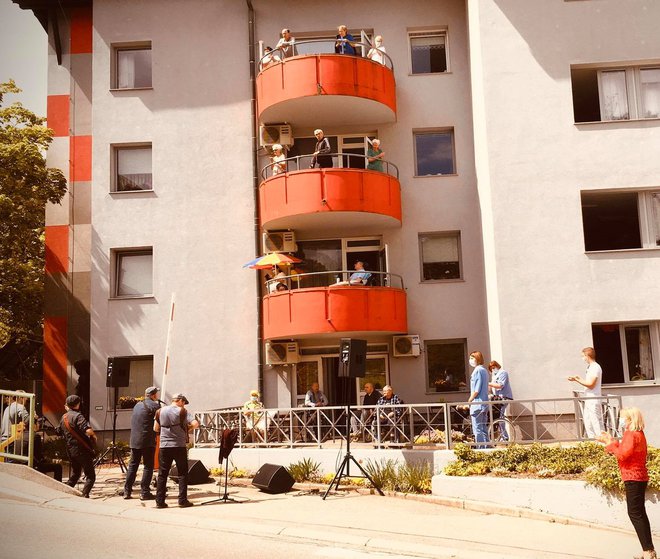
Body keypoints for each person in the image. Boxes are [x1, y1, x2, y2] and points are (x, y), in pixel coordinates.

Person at [599, 408, 656, 559]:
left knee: (635, 513)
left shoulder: (631, 434)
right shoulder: (638, 433)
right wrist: (611, 442)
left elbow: (622, 455)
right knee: (639, 513)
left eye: (623, 418)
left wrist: (609, 444)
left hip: (633, 478)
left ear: (630, 419)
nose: (621, 420)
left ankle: (648, 551)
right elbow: (625, 451)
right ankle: (649, 550)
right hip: (638, 477)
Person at [154, 393, 199, 509]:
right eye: (183, 403)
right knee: (182, 473)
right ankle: (182, 501)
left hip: (164, 446)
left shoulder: (160, 411)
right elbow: (196, 424)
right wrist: (186, 428)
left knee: (162, 474)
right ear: (180, 401)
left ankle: (160, 501)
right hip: (179, 446)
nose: (183, 405)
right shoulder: (183, 411)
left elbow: (155, 428)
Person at [123, 386, 161, 500]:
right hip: (147, 440)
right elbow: (161, 420)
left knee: (133, 466)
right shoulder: (154, 405)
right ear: (154, 395)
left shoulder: (137, 405)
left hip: (134, 440)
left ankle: (127, 491)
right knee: (148, 466)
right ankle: (144, 492)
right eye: (156, 394)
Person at [56, 394, 97, 498]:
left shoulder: (64, 417)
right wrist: (93, 435)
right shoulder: (78, 416)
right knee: (90, 475)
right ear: (77, 404)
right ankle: (85, 494)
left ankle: (65, 491)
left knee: (76, 473)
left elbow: (59, 431)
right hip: (81, 450)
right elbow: (87, 430)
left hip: (70, 450)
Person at [568, 346, 603, 439]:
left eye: (583, 356)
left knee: (596, 422)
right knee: (588, 422)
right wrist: (578, 379)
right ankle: (592, 442)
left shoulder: (595, 367)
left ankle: (602, 443)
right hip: (589, 398)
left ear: (587, 356)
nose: (582, 358)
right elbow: (588, 383)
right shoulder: (590, 367)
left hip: (593, 399)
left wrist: (577, 380)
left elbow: (591, 384)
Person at [467, 351, 490, 448]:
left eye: (472, 358)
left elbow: (476, 389)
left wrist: (469, 401)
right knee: (483, 427)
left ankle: (480, 449)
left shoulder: (477, 371)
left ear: (478, 358)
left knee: (477, 429)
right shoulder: (484, 370)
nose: (471, 360)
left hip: (477, 404)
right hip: (484, 403)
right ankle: (488, 447)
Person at [488, 361, 514, 441]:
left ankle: (505, 437)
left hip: (504, 397)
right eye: (491, 369)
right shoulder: (495, 375)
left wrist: (489, 383)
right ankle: (501, 436)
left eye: (493, 367)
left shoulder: (503, 373)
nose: (492, 370)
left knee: (500, 417)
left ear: (496, 366)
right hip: (497, 398)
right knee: (496, 416)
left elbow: (500, 385)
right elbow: (492, 386)